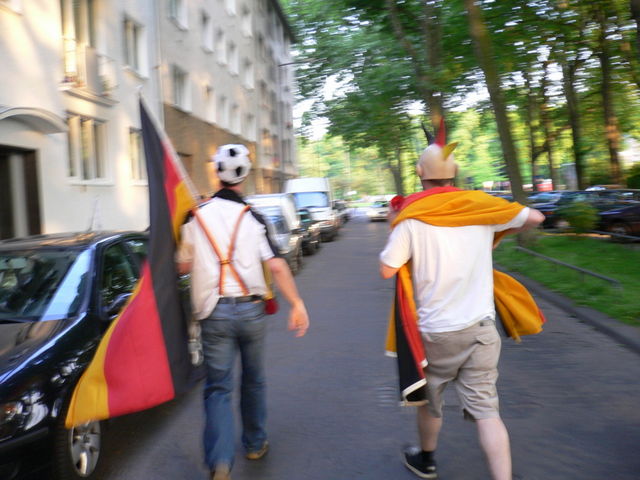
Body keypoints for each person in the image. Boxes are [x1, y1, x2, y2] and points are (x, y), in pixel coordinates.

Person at [379, 129, 544, 480]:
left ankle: (426, 460)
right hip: (482, 329)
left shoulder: (411, 219)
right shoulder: (480, 208)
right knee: (487, 411)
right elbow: (535, 218)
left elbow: (387, 268)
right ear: (454, 172)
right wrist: (495, 232)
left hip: (435, 332)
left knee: (431, 403)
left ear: (420, 173)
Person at [176, 144, 309, 480]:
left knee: (218, 388)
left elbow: (182, 266)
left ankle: (220, 463)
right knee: (254, 380)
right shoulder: (253, 217)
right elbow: (277, 265)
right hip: (250, 312)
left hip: (213, 312)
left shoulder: (195, 217)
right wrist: (297, 304)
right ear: (245, 175)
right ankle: (254, 443)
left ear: (215, 173)